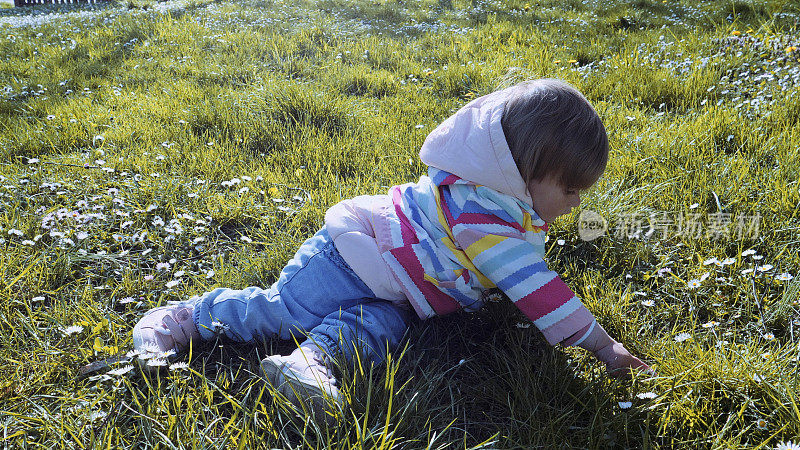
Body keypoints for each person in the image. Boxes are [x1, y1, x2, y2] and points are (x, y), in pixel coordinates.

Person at [132, 78, 654, 420]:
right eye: (571, 189)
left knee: (377, 327)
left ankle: (309, 365)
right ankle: (178, 321)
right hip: (351, 257)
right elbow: (539, 291)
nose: (577, 202)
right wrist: (604, 347)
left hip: (397, 290)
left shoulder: (498, 198)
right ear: (526, 172)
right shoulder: (486, 219)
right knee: (280, 312)